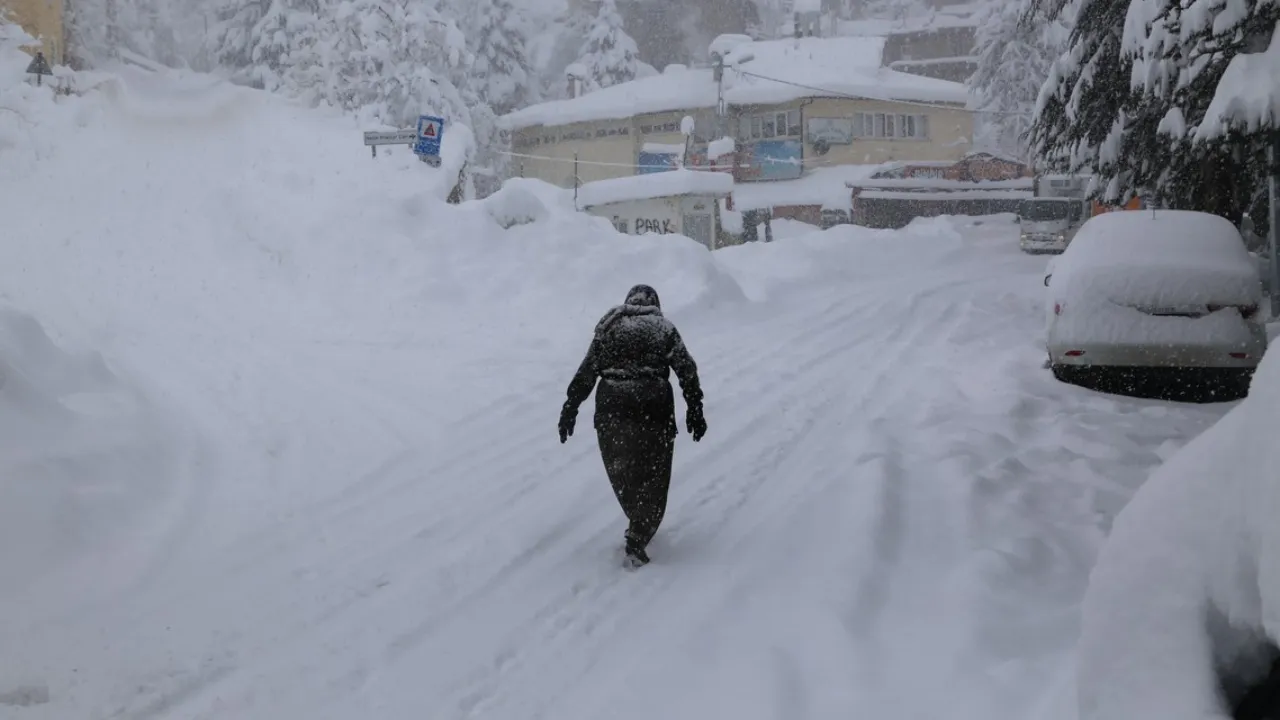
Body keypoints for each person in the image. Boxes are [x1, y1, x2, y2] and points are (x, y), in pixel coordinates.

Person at [558, 284, 707, 567]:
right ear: (654, 303)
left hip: (612, 410)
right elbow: (686, 370)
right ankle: (640, 531)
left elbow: (588, 370)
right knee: (655, 473)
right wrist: (695, 408)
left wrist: (570, 406)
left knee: (623, 471)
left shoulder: (609, 326)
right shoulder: (662, 328)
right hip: (654, 410)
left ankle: (636, 518)